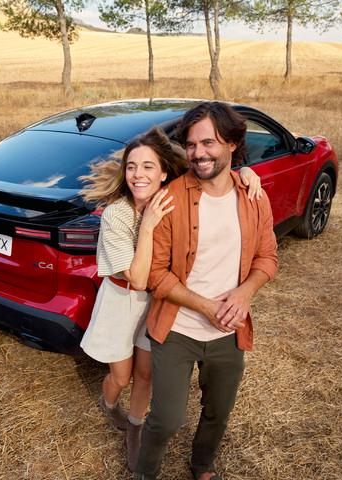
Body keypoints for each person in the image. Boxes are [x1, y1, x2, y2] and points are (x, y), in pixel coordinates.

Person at [79, 126, 262, 472]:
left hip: (156, 301)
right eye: (131, 167)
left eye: (148, 166)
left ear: (164, 173)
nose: (138, 174)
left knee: (146, 373)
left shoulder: (173, 195)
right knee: (121, 376)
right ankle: (109, 403)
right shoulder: (118, 215)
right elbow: (137, 278)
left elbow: (211, 170)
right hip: (122, 299)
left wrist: (245, 173)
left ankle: (135, 427)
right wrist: (148, 225)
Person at [133, 103, 279, 480]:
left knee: (218, 411)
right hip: (177, 328)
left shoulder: (253, 196)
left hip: (229, 331)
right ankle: (144, 473)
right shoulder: (170, 199)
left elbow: (268, 257)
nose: (198, 153)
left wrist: (245, 293)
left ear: (232, 143)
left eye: (208, 143)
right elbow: (156, 275)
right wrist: (205, 306)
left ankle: (202, 466)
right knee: (166, 418)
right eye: (191, 145)